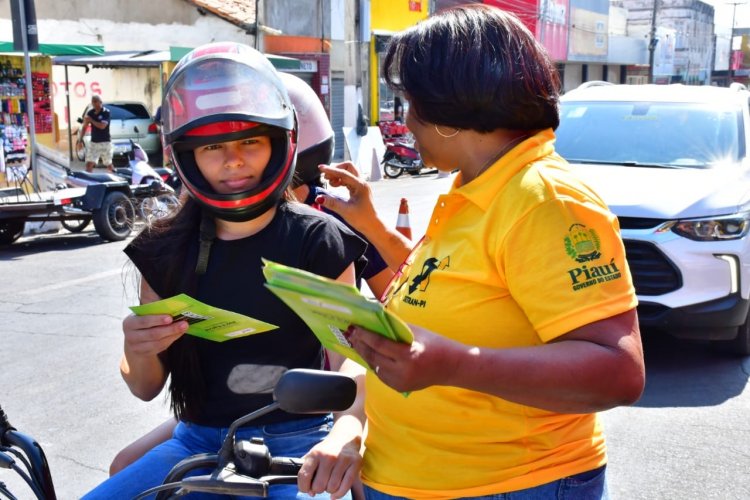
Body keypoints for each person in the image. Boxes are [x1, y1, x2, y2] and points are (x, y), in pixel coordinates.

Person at [316, 5, 645, 499]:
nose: (404, 120)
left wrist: (452, 364)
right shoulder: (474, 187)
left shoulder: (543, 199)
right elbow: (446, 288)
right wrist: (373, 225)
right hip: (415, 478)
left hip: (508, 484)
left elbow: (618, 372)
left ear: (449, 107)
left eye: (409, 102)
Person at [83, 42, 367, 500]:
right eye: (212, 146)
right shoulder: (162, 248)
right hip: (195, 441)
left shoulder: (318, 240)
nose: (233, 159)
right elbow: (145, 387)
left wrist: (344, 432)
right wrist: (138, 348)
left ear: (281, 142)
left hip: (299, 445)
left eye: (249, 141)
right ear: (185, 154)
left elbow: (349, 359)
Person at [77, 94, 114, 173]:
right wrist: (80, 141)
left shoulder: (106, 112)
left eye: (96, 101)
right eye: (93, 102)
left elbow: (102, 126)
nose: (94, 103)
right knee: (89, 164)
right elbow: (84, 127)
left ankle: (114, 178)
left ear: (100, 102)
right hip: (94, 142)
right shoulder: (90, 113)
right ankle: (89, 182)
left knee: (108, 164)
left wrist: (91, 120)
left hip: (105, 142)